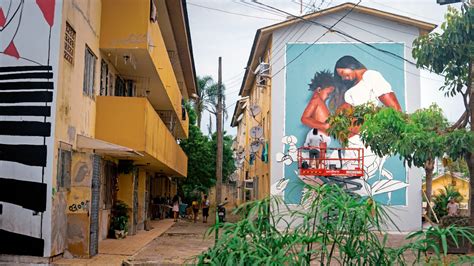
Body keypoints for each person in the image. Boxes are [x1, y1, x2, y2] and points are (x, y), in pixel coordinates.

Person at [333, 55, 402, 180]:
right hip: (353, 143)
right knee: (349, 184)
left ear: (351, 66)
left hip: (363, 141)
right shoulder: (357, 84)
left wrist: (371, 126)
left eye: (343, 73)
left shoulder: (371, 76)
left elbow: (395, 109)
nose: (343, 77)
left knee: (357, 183)